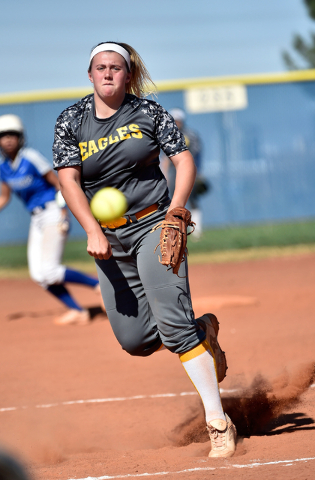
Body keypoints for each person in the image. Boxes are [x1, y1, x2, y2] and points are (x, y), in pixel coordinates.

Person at [52, 41, 237, 457]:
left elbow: (184, 162)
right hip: (108, 239)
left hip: (156, 224)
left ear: (128, 74)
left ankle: (218, 423)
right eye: (100, 67)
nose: (107, 73)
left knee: (171, 326)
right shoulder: (71, 121)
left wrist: (177, 210)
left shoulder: (148, 113)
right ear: (89, 74)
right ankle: (202, 332)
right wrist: (91, 231)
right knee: (134, 340)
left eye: (115, 67)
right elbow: (68, 181)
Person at [0, 114, 102, 326]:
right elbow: (3, 198)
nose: (8, 139)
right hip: (37, 219)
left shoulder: (30, 157)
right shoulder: (3, 166)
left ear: (21, 137)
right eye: (3, 135)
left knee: (50, 270)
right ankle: (78, 311)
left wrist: (64, 212)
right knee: (38, 274)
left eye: (12, 134)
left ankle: (96, 285)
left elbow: (59, 184)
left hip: (53, 213)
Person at [161, 108, 209, 239]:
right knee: (172, 200)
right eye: (174, 120)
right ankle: (176, 231)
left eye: (179, 120)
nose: (177, 123)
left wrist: (197, 172)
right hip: (173, 171)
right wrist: (165, 175)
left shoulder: (191, 135)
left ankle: (196, 231)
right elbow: (165, 158)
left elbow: (197, 155)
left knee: (192, 199)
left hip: (189, 170)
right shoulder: (167, 135)